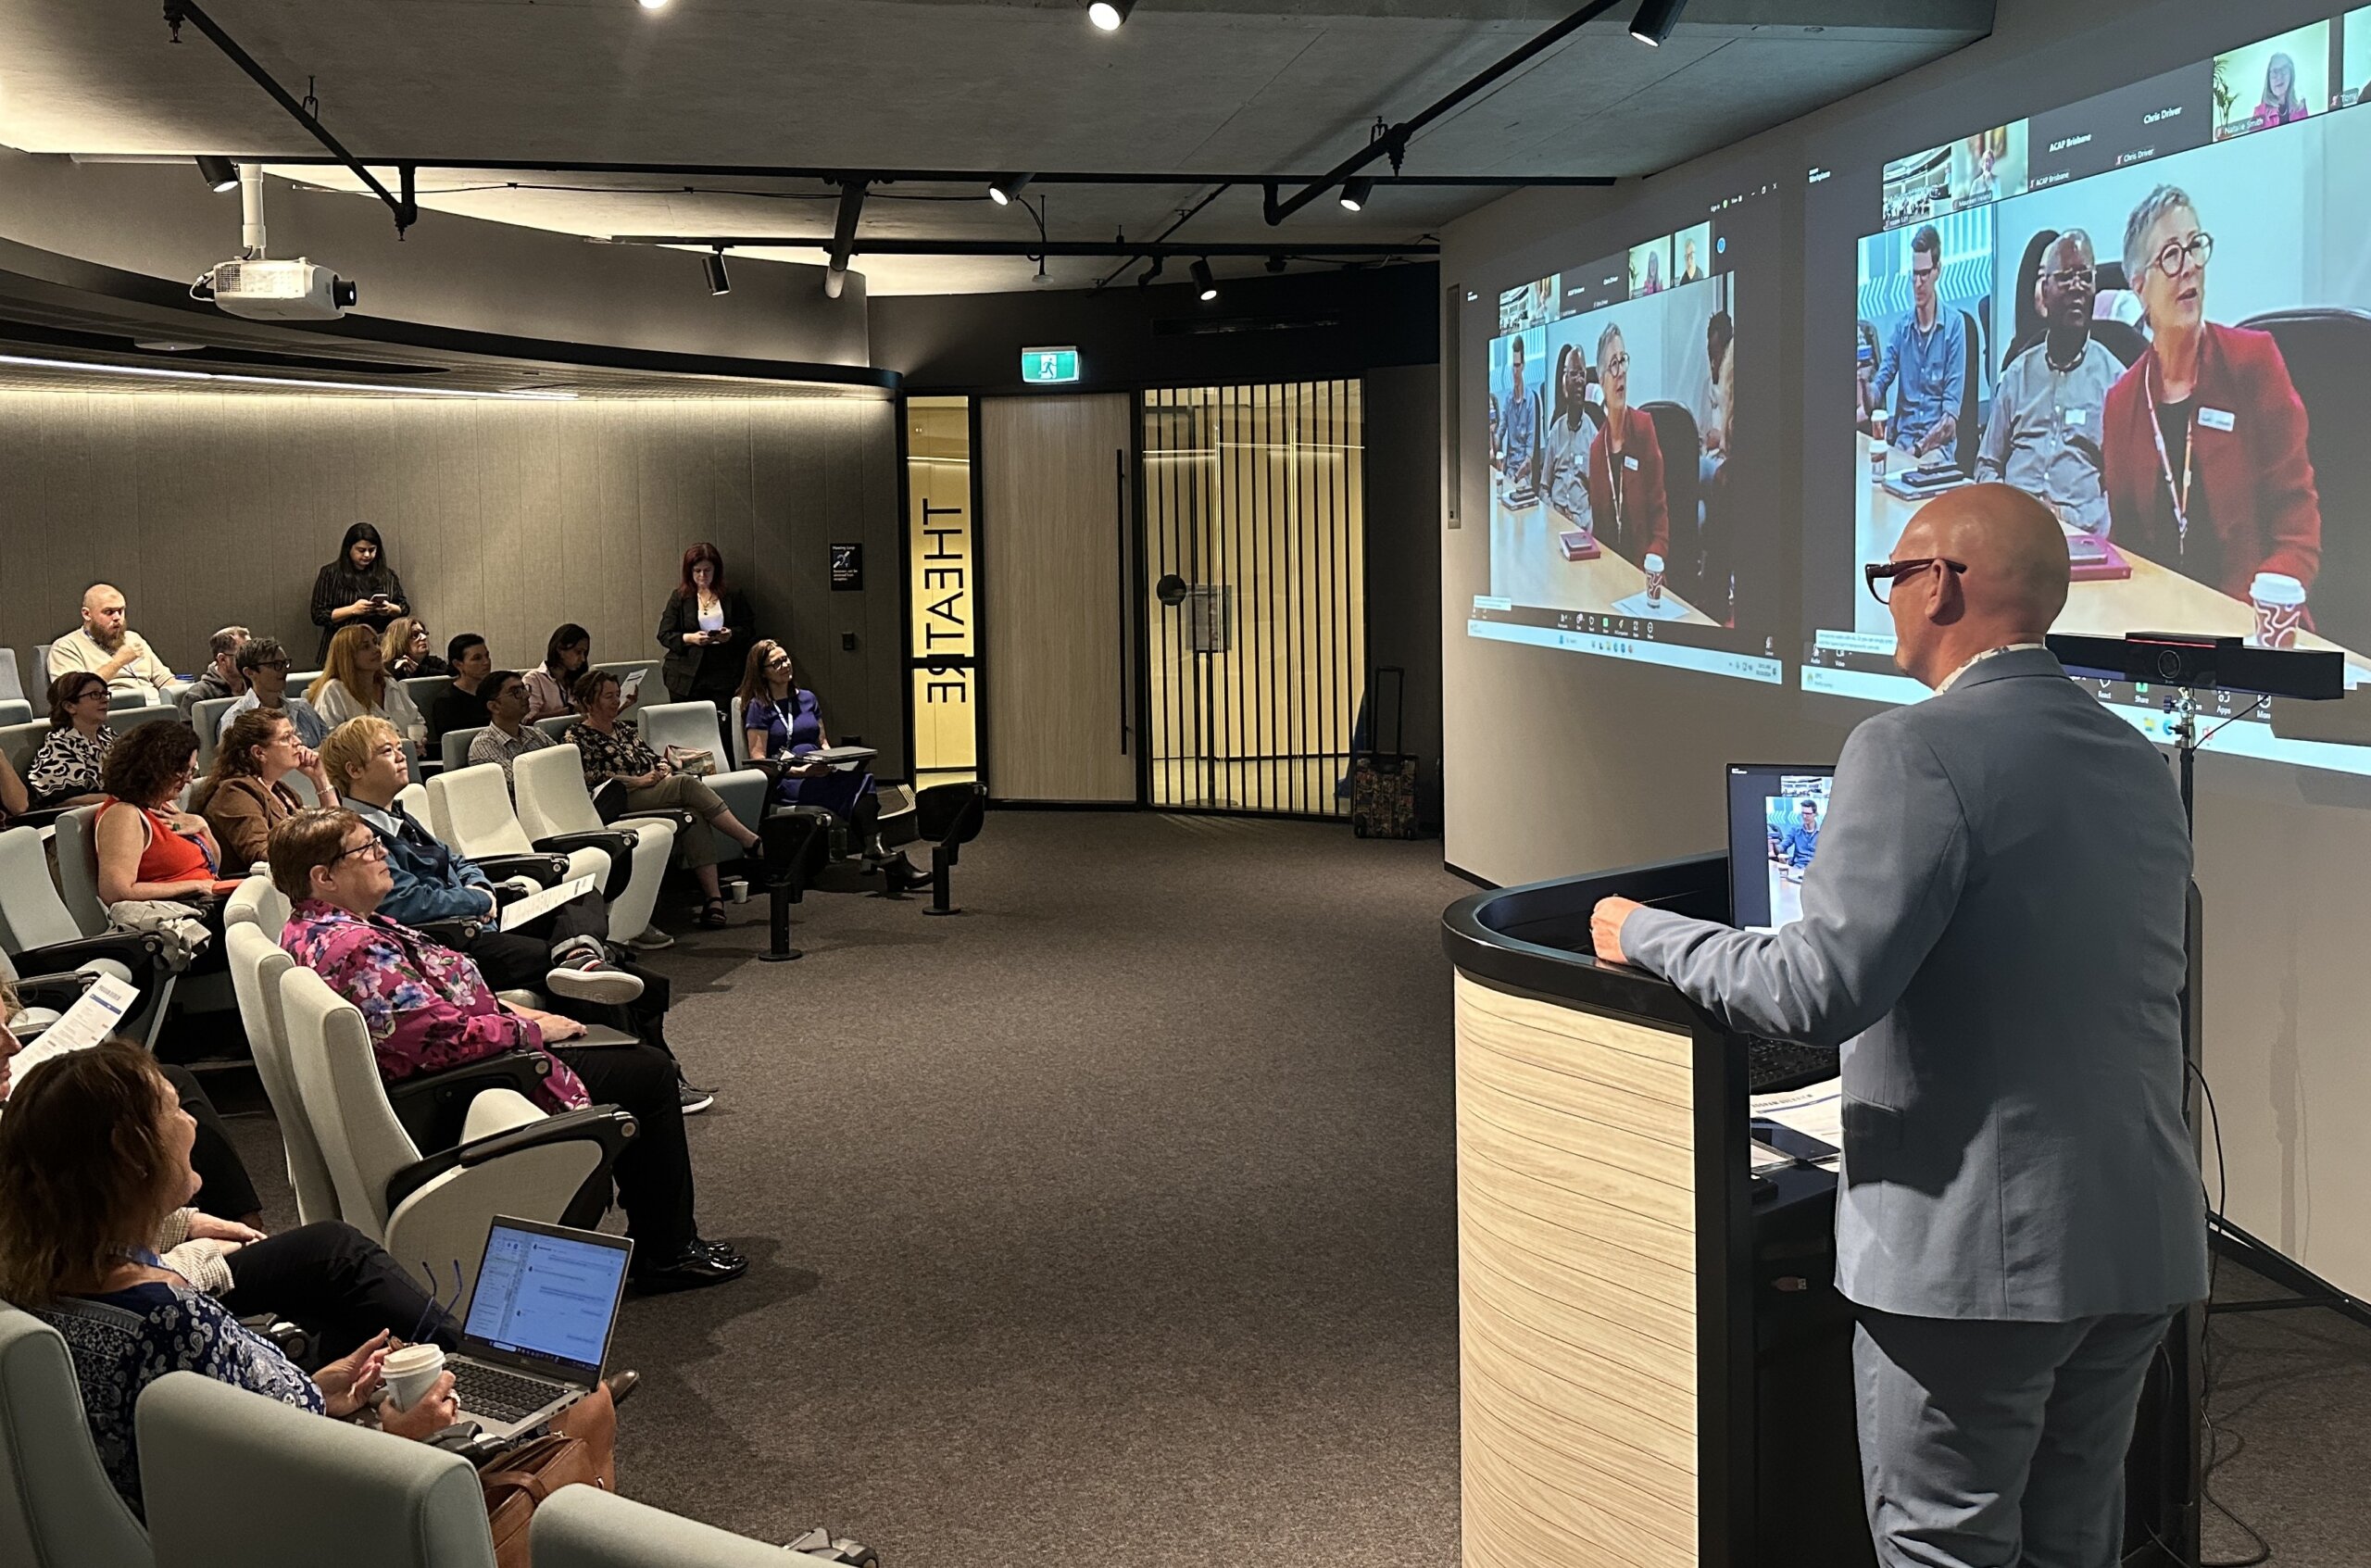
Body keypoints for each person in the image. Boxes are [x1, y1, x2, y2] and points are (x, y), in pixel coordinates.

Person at [1589, 483, 2206, 1568]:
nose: (1885, 603)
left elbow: (1813, 991)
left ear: (1940, 584)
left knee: (1945, 1543)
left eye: (1890, 577)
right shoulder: (2136, 762)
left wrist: (1646, 933)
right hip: (2136, 1237)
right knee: (2075, 1542)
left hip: (1977, 1262)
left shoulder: (1909, 749)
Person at [272, 809, 746, 1290]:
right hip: (460, 1088)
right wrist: (528, 1032)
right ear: (323, 876)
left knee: (617, 1044)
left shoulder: (317, 928)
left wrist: (518, 1015)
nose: (382, 857)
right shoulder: (355, 947)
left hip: (464, 1063)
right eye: (366, 850)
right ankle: (667, 1252)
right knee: (647, 1071)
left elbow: (426, 1011)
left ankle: (660, 1240)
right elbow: (436, 1040)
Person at [0, 1040, 467, 1513]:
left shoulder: (35, 1285)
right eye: (175, 1109)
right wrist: (397, 1440)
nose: (192, 1123)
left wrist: (317, 1393)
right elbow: (271, 1495)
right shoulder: (168, 1323)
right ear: (132, 1152)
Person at [315, 717, 653, 1013]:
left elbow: (458, 860)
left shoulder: (399, 815)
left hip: (481, 918)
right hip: (450, 941)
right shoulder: (358, 835)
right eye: (385, 751)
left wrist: (480, 889)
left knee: (582, 894)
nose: (401, 754)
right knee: (614, 965)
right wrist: (479, 901)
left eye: (396, 747)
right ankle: (587, 966)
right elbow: (408, 903)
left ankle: (580, 956)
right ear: (354, 770)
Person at [2101, 185, 2322, 603]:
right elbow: (2126, 545)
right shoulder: (2122, 403)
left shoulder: (2253, 363)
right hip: (2162, 633)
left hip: (2256, 625)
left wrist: (2257, 621)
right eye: (2170, 255)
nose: (2189, 267)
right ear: (2139, 287)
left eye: (2195, 246)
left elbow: (2297, 529)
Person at [567, 669, 763, 930]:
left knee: (693, 812)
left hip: (650, 790)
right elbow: (588, 776)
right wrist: (637, 781)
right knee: (685, 783)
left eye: (617, 695)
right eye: (608, 697)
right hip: (618, 799)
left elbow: (654, 757)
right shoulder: (577, 735)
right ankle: (748, 840)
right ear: (589, 701)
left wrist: (661, 770)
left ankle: (714, 899)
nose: (616, 702)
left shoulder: (623, 730)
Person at [1976, 229, 2119, 534]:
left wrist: (2072, 522)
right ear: (2045, 290)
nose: (2077, 287)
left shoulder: (2116, 382)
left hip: (2078, 537)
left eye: (2085, 277)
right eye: (2066, 277)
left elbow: (2123, 496)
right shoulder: (2017, 375)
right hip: (2012, 529)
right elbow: (1986, 465)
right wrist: (2013, 508)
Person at [739, 641, 921, 882]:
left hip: (818, 769)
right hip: (787, 779)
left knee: (862, 777)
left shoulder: (807, 699)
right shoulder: (759, 707)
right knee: (860, 786)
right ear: (763, 672)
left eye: (786, 659)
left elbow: (822, 742)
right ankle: (884, 858)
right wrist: (801, 772)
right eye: (776, 663)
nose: (785, 665)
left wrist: (832, 761)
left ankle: (878, 852)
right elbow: (759, 759)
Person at [94, 721, 240, 956]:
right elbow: (116, 892)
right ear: (157, 768)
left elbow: (213, 865)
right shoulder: (124, 814)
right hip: (182, 921)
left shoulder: (162, 806)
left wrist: (203, 828)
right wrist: (196, 885)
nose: (190, 780)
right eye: (185, 771)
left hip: (207, 904)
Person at [1869, 224, 1968, 462]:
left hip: (1934, 451)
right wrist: (1864, 386)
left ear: (1937, 271)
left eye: (1924, 274)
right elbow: (1879, 384)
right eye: (1914, 274)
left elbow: (1949, 424)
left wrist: (1917, 450)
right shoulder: (1903, 328)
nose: (1917, 283)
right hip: (1902, 444)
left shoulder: (1954, 327)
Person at [195, 709, 338, 870]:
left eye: (294, 734)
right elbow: (262, 854)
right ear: (259, 753)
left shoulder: (281, 790)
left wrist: (320, 779)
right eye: (286, 738)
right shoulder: (235, 792)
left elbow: (337, 831)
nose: (297, 741)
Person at [1584, 323, 1671, 570]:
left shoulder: (1644, 429)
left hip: (1647, 574)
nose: (1621, 371)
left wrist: (1651, 567)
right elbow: (1600, 533)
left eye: (1623, 361)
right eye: (1613, 364)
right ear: (1601, 381)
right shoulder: (1596, 451)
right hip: (1611, 578)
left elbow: (1660, 522)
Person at [656, 544, 755, 706]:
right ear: (690, 571)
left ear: (716, 570)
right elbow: (664, 634)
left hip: (724, 672)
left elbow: (748, 629)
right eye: (697, 571)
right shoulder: (680, 597)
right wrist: (690, 638)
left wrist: (730, 635)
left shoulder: (733, 595)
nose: (702, 575)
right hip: (687, 675)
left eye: (707, 570)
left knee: (723, 721)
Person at [46, 583, 175, 700]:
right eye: (109, 612)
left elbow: (165, 680)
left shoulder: (134, 639)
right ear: (86, 614)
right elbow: (73, 694)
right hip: (115, 712)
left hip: (158, 709)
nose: (117, 618)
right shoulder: (66, 647)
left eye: (121, 611)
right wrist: (118, 662)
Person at [308, 521, 408, 663]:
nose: (367, 555)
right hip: (343, 648)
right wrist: (353, 610)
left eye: (372, 550)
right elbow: (318, 615)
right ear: (349, 549)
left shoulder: (387, 575)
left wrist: (391, 608)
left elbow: (404, 607)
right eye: (361, 550)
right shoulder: (331, 574)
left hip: (381, 647)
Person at [309, 623, 427, 740]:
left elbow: (417, 720)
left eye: (375, 643)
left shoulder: (388, 683)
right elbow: (330, 742)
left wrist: (419, 739)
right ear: (348, 656)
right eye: (366, 647)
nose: (376, 649)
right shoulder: (334, 691)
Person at [218, 635, 332, 748]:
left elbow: (329, 751)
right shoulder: (237, 719)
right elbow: (233, 764)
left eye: (285, 663)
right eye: (275, 665)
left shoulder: (304, 708)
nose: (284, 670)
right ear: (250, 672)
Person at [25, 671, 115, 809]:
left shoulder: (108, 736)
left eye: (105, 694)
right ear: (70, 706)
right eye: (95, 695)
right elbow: (69, 801)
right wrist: (126, 798)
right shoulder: (59, 745)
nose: (105, 700)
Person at [1538, 343, 1596, 529]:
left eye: (1582, 374)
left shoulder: (1594, 437)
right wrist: (1553, 514)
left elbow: (1599, 503)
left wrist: (1582, 525)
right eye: (1573, 374)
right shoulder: (1556, 431)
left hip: (1582, 527)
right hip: (1554, 520)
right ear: (1565, 382)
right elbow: (1543, 488)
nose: (1579, 380)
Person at [468, 668, 557, 785]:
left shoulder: (536, 734)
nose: (527, 695)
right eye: (516, 692)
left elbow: (562, 764)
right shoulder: (484, 745)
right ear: (494, 707)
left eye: (524, 689)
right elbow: (520, 784)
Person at [428, 633, 494, 741]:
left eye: (487, 656)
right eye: (477, 658)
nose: (486, 662)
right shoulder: (447, 701)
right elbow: (452, 742)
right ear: (458, 664)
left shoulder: (496, 691)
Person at [1494, 334, 1540, 487]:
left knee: (1518, 490)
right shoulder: (1508, 400)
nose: (1515, 371)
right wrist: (1493, 440)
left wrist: (1514, 479)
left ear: (1523, 366)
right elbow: (1501, 431)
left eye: (1518, 366)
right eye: (1513, 366)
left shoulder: (1531, 400)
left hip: (1523, 473)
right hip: (1509, 468)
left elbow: (1529, 459)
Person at [525, 623, 593, 721]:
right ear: (560, 649)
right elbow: (528, 719)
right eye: (578, 652)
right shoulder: (534, 679)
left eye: (585, 653)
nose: (583, 659)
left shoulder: (577, 679)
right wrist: (570, 710)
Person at [176, 626, 250, 712]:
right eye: (243, 655)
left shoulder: (255, 687)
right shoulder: (198, 695)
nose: (251, 660)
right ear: (222, 659)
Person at [382, 617, 450, 681]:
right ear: (399, 640)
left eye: (424, 633)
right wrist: (397, 672)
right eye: (415, 635)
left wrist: (419, 670)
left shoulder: (435, 663)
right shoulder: (385, 668)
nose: (424, 637)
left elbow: (451, 676)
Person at [2254, 51, 2310, 128]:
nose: (2280, 76)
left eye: (2284, 70)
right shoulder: (2259, 112)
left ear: (2291, 74)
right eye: (2275, 72)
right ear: (2268, 79)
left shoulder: (2300, 106)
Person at [1773, 797, 1819, 871]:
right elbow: (1783, 845)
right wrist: (1775, 846)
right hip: (1798, 867)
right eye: (1803, 813)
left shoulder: (1823, 832)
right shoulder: (1795, 830)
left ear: (1815, 814)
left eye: (1808, 814)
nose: (1804, 816)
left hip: (1816, 870)